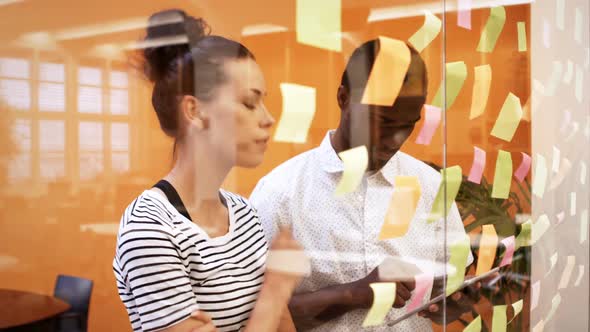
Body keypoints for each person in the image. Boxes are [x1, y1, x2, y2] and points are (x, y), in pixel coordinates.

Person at [250, 38, 476, 331]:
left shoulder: (431, 188)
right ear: (344, 98)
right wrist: (354, 294)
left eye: (407, 125)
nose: (395, 139)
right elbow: (257, 316)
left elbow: (451, 288)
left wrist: (455, 300)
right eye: (381, 121)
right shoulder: (280, 194)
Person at [113, 9, 302, 332]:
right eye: (249, 102)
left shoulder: (246, 214)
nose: (268, 118)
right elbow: (273, 315)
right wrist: (274, 290)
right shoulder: (149, 228)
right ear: (195, 110)